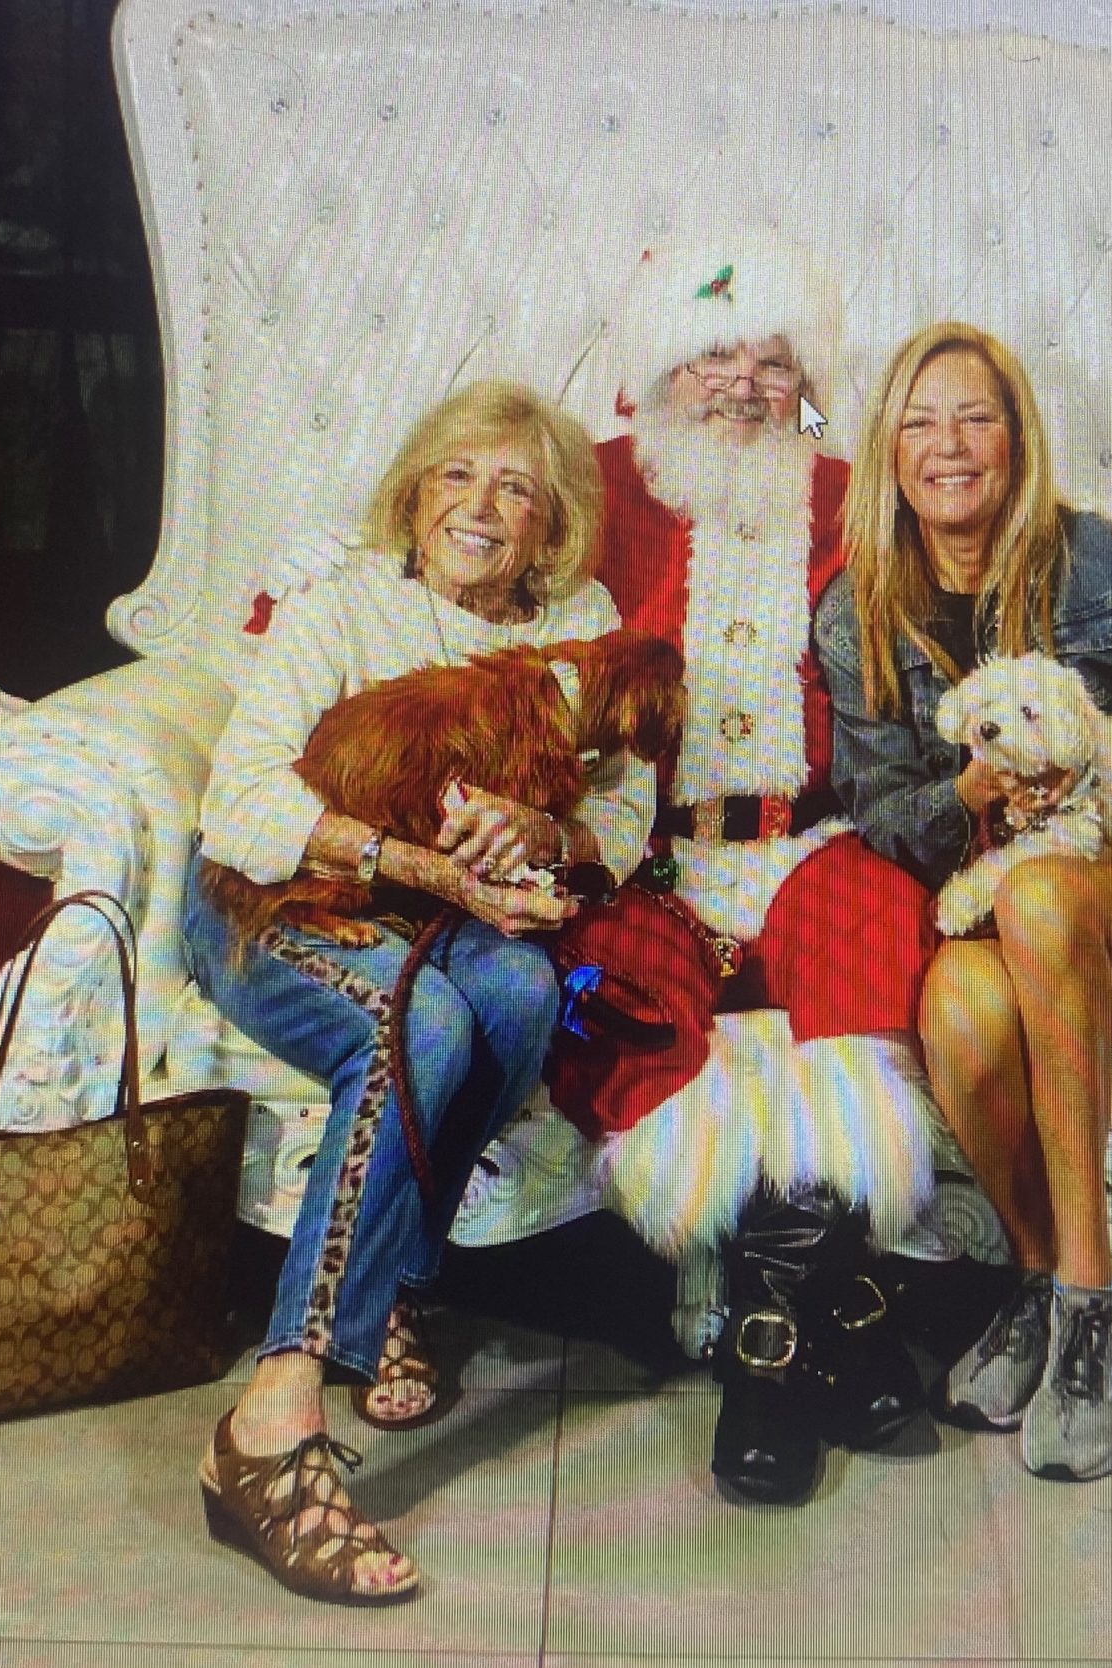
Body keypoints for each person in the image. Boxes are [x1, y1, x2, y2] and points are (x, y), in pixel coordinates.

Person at [185, 380, 654, 1603]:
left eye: (514, 486)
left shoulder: (583, 622)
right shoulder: (342, 609)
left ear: (549, 523)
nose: (480, 506)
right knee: (425, 1019)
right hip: (271, 901)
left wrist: (539, 840)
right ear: (413, 491)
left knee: (513, 998)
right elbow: (236, 809)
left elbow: (621, 809)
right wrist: (417, 861)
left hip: (447, 916)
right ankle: (270, 1427)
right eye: (457, 476)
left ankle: (388, 1283)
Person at [813, 322, 1112, 1483]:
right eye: (919, 422)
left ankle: (1093, 1300)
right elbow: (879, 816)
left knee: (1049, 898)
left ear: (1015, 438)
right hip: (989, 913)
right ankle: (1040, 1283)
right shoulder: (855, 611)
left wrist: (1109, 809)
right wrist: (967, 789)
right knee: (958, 1000)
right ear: (888, 452)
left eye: (973, 417)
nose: (947, 446)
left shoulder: (1099, 565)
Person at [541, 231, 941, 1504]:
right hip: (642, 858)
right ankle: (845, 1318)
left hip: (818, 844)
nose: (743, 382)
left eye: (774, 361)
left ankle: (770, 1358)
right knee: (610, 1003)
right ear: (660, 371)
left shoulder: (854, 497)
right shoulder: (593, 491)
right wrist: (320, 574)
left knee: (872, 966)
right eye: (713, 352)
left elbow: (981, 575)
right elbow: (458, 567)